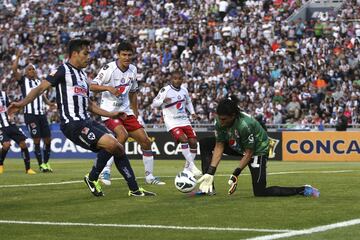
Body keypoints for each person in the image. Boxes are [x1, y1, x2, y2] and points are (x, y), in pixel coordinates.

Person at [9, 39, 156, 197]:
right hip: (72, 124)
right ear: (74, 54)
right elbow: (39, 89)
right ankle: (95, 178)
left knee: (118, 147)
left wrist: (112, 114)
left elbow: (90, 105)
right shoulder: (63, 71)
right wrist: (22, 103)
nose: (89, 57)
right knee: (114, 144)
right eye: (85, 54)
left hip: (87, 121)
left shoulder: (83, 76)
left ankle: (131, 188)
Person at [197, 97, 320, 197]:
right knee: (205, 143)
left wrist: (236, 173)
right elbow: (219, 145)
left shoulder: (244, 125)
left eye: (224, 119)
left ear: (233, 115)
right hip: (238, 145)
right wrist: (210, 172)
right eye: (219, 118)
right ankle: (208, 188)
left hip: (257, 150)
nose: (221, 122)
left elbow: (249, 153)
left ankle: (303, 189)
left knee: (260, 192)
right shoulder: (220, 121)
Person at [90, 41, 164, 186]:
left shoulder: (133, 70)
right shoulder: (109, 69)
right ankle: (106, 170)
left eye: (129, 55)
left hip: (126, 111)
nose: (127, 57)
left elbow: (133, 93)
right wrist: (108, 88)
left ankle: (149, 176)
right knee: (122, 136)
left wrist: (136, 113)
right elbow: (92, 86)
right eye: (124, 54)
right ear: (118, 55)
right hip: (109, 111)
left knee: (146, 141)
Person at [151, 70, 202, 177]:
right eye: (175, 78)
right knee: (184, 139)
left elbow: (188, 102)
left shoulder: (184, 90)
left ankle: (187, 169)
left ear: (182, 80)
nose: (177, 81)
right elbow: (154, 104)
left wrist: (192, 113)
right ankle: (192, 166)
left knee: (193, 142)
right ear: (171, 79)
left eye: (179, 79)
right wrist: (163, 101)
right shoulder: (165, 90)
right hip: (172, 121)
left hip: (184, 120)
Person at [12, 50, 55, 172]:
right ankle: (41, 164)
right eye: (29, 69)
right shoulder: (23, 81)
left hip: (41, 114)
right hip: (30, 115)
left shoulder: (39, 82)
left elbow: (42, 96)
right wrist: (18, 57)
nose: (32, 71)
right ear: (26, 72)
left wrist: (50, 103)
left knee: (48, 140)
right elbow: (15, 70)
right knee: (36, 140)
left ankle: (46, 163)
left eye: (33, 69)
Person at [0, 90, 36, 174]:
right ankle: (0, 164)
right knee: (6, 145)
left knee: (23, 144)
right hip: (1, 127)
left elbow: (10, 107)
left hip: (10, 124)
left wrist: (11, 114)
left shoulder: (3, 94)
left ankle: (28, 169)